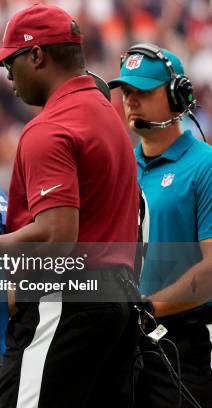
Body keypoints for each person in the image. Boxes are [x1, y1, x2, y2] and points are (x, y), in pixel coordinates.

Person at [0, 4, 141, 407]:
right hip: (117, 301)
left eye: (10, 62)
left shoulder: (51, 127)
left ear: (37, 55)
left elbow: (58, 235)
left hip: (68, 299)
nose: (8, 77)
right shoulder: (107, 116)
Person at [108, 43, 212, 408]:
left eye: (144, 92)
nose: (131, 101)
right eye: (127, 92)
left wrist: (148, 309)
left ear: (176, 96)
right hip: (125, 346)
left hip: (185, 346)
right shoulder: (119, 169)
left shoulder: (205, 165)